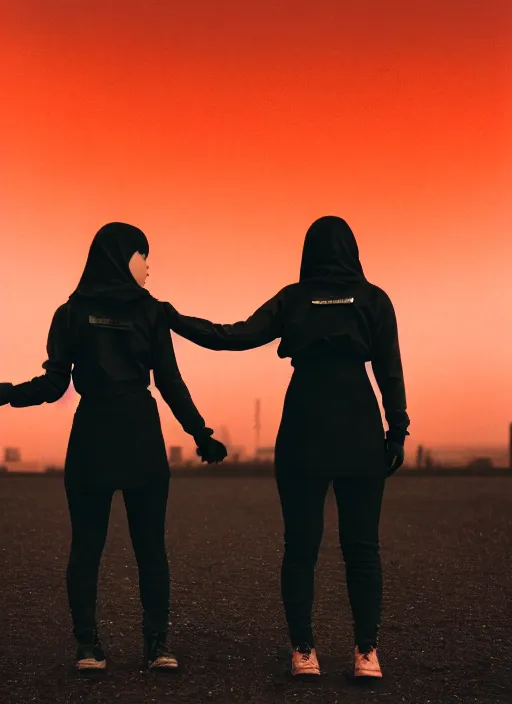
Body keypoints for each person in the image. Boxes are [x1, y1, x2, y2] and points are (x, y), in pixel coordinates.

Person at [162, 216, 410, 679]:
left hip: (304, 423)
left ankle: (304, 653)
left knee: (301, 546)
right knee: (362, 547)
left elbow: (234, 336)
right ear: (352, 250)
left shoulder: (293, 299)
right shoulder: (375, 298)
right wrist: (397, 431)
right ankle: (366, 654)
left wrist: (175, 319)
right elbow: (390, 369)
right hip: (358, 422)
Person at [0, 222, 227, 671]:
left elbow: (52, 386)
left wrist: (6, 392)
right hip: (140, 433)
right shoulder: (150, 312)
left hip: (92, 435)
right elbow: (169, 381)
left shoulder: (71, 311)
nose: (149, 266)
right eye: (144, 256)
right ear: (125, 258)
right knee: (150, 547)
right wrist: (200, 433)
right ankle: (157, 647)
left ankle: (88, 649)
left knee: (86, 546)